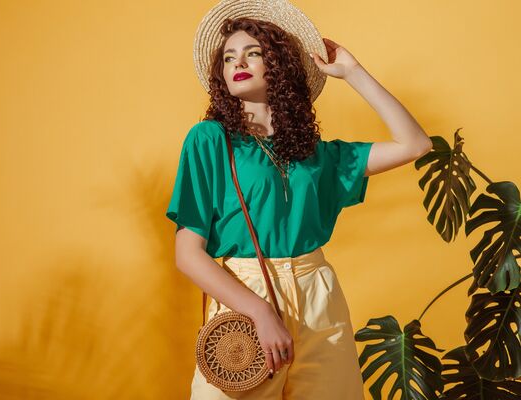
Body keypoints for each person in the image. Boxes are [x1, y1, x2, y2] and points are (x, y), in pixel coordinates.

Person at [165, 2, 432, 399]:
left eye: (253, 53)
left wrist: (353, 73)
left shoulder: (317, 155)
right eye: (229, 57)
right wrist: (259, 311)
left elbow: (415, 144)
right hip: (245, 295)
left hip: (318, 298)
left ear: (279, 64)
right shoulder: (210, 140)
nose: (239, 63)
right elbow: (188, 254)